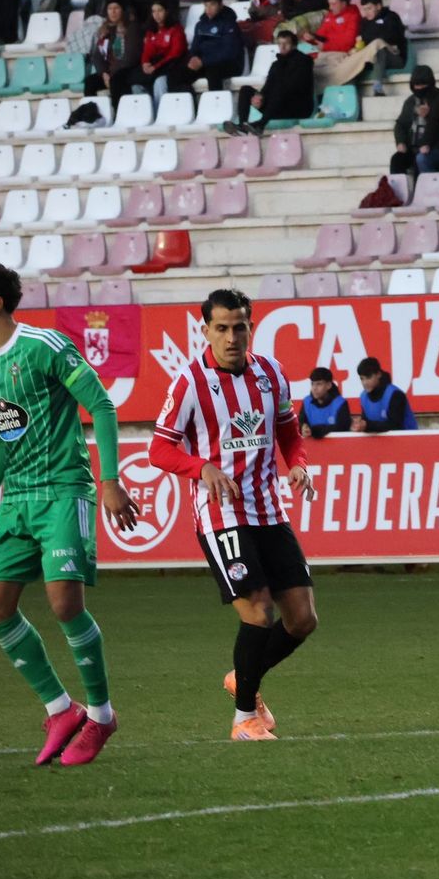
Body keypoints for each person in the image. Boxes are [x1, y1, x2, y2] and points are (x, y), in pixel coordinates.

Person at [0, 260, 138, 765]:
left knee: (64, 604)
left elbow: (101, 406)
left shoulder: (46, 346)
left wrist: (109, 481)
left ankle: (101, 715)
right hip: (16, 500)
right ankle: (60, 709)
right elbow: (3, 433)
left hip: (63, 490)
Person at [149, 288, 319, 742]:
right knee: (258, 612)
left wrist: (298, 464)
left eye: (239, 327)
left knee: (302, 620)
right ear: (205, 330)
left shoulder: (271, 373)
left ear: (250, 327)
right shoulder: (189, 383)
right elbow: (159, 449)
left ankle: (242, 677)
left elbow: (288, 432)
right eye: (221, 328)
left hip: (269, 510)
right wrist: (200, 467)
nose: (231, 337)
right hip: (221, 515)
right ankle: (244, 719)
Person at [226, 29, 314, 135]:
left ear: (294, 45)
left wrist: (269, 95)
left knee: (280, 89)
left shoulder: (304, 61)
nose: (282, 47)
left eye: (286, 43)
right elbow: (268, 85)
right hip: (276, 106)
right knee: (246, 89)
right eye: (280, 43)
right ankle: (242, 126)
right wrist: (260, 96)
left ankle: (260, 125)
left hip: (297, 107)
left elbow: (294, 86)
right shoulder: (276, 64)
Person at [329, 0, 406, 97]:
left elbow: (392, 37)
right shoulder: (364, 22)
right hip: (370, 57)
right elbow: (361, 39)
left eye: (369, 8)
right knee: (353, 61)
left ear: (378, 6)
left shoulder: (391, 17)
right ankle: (349, 93)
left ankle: (377, 88)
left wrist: (370, 40)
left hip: (394, 57)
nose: (366, 12)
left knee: (378, 48)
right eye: (364, 9)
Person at [168, 0, 244, 94]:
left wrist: (204, 61)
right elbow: (194, 47)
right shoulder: (200, 25)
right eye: (206, 5)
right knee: (175, 74)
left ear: (220, 5)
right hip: (204, 63)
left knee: (213, 72)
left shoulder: (229, 24)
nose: (208, 9)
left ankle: (216, 102)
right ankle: (189, 100)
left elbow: (229, 52)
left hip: (230, 64)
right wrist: (193, 59)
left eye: (212, 5)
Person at [296, 0, 361, 92]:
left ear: (344, 3)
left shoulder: (353, 15)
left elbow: (348, 42)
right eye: (329, 4)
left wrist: (325, 46)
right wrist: (311, 38)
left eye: (334, 4)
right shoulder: (330, 16)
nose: (330, 7)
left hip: (340, 55)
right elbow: (320, 36)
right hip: (325, 54)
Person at [84, 0, 142, 105]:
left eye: (116, 8)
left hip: (127, 70)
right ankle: (91, 112)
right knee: (90, 81)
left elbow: (131, 56)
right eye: (110, 9)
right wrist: (104, 73)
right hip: (109, 73)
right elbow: (98, 56)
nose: (113, 12)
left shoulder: (131, 28)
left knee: (116, 80)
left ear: (122, 10)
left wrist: (112, 74)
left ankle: (117, 112)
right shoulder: (105, 30)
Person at [391, 64, 437, 174]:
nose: (420, 89)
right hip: (412, 148)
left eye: (423, 85)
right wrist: (401, 142)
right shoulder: (410, 102)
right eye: (417, 85)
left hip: (432, 148)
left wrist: (429, 115)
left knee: (420, 161)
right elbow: (400, 125)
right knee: (397, 160)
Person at [353, 357, 418, 431]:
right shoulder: (363, 397)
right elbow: (366, 423)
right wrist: (359, 425)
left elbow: (395, 426)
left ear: (378, 374)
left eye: (368, 377)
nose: (365, 383)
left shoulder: (395, 395)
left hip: (408, 437)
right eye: (362, 378)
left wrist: (367, 425)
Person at [300, 366, 351, 437]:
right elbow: (300, 425)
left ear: (329, 385)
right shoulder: (307, 402)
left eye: (319, 384)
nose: (314, 388)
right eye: (312, 384)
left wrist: (314, 431)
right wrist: (303, 428)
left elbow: (343, 427)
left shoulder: (340, 403)